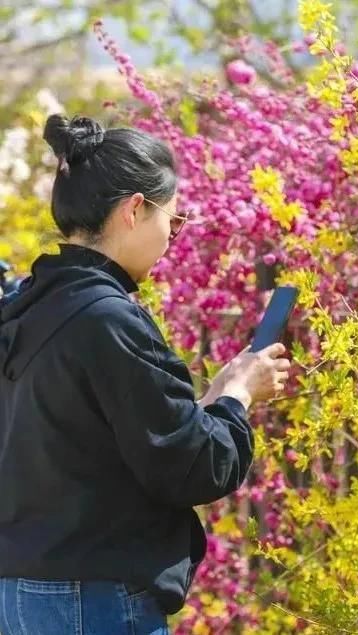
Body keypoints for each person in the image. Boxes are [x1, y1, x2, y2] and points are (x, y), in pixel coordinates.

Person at [0, 115, 290, 635]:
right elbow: (192, 468)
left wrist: (215, 400)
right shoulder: (106, 318)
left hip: (20, 591)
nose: (172, 240)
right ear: (136, 209)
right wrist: (240, 396)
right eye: (173, 223)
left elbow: (100, 450)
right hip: (92, 602)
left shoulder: (29, 306)